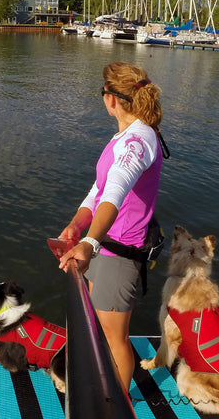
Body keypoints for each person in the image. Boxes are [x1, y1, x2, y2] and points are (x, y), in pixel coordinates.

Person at [57, 61, 166, 391]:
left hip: (119, 256)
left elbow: (115, 194)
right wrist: (77, 226)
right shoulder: (125, 136)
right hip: (102, 246)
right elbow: (99, 189)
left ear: (111, 98)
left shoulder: (137, 142)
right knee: (98, 325)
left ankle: (114, 406)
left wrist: (88, 244)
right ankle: (101, 377)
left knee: (114, 337)